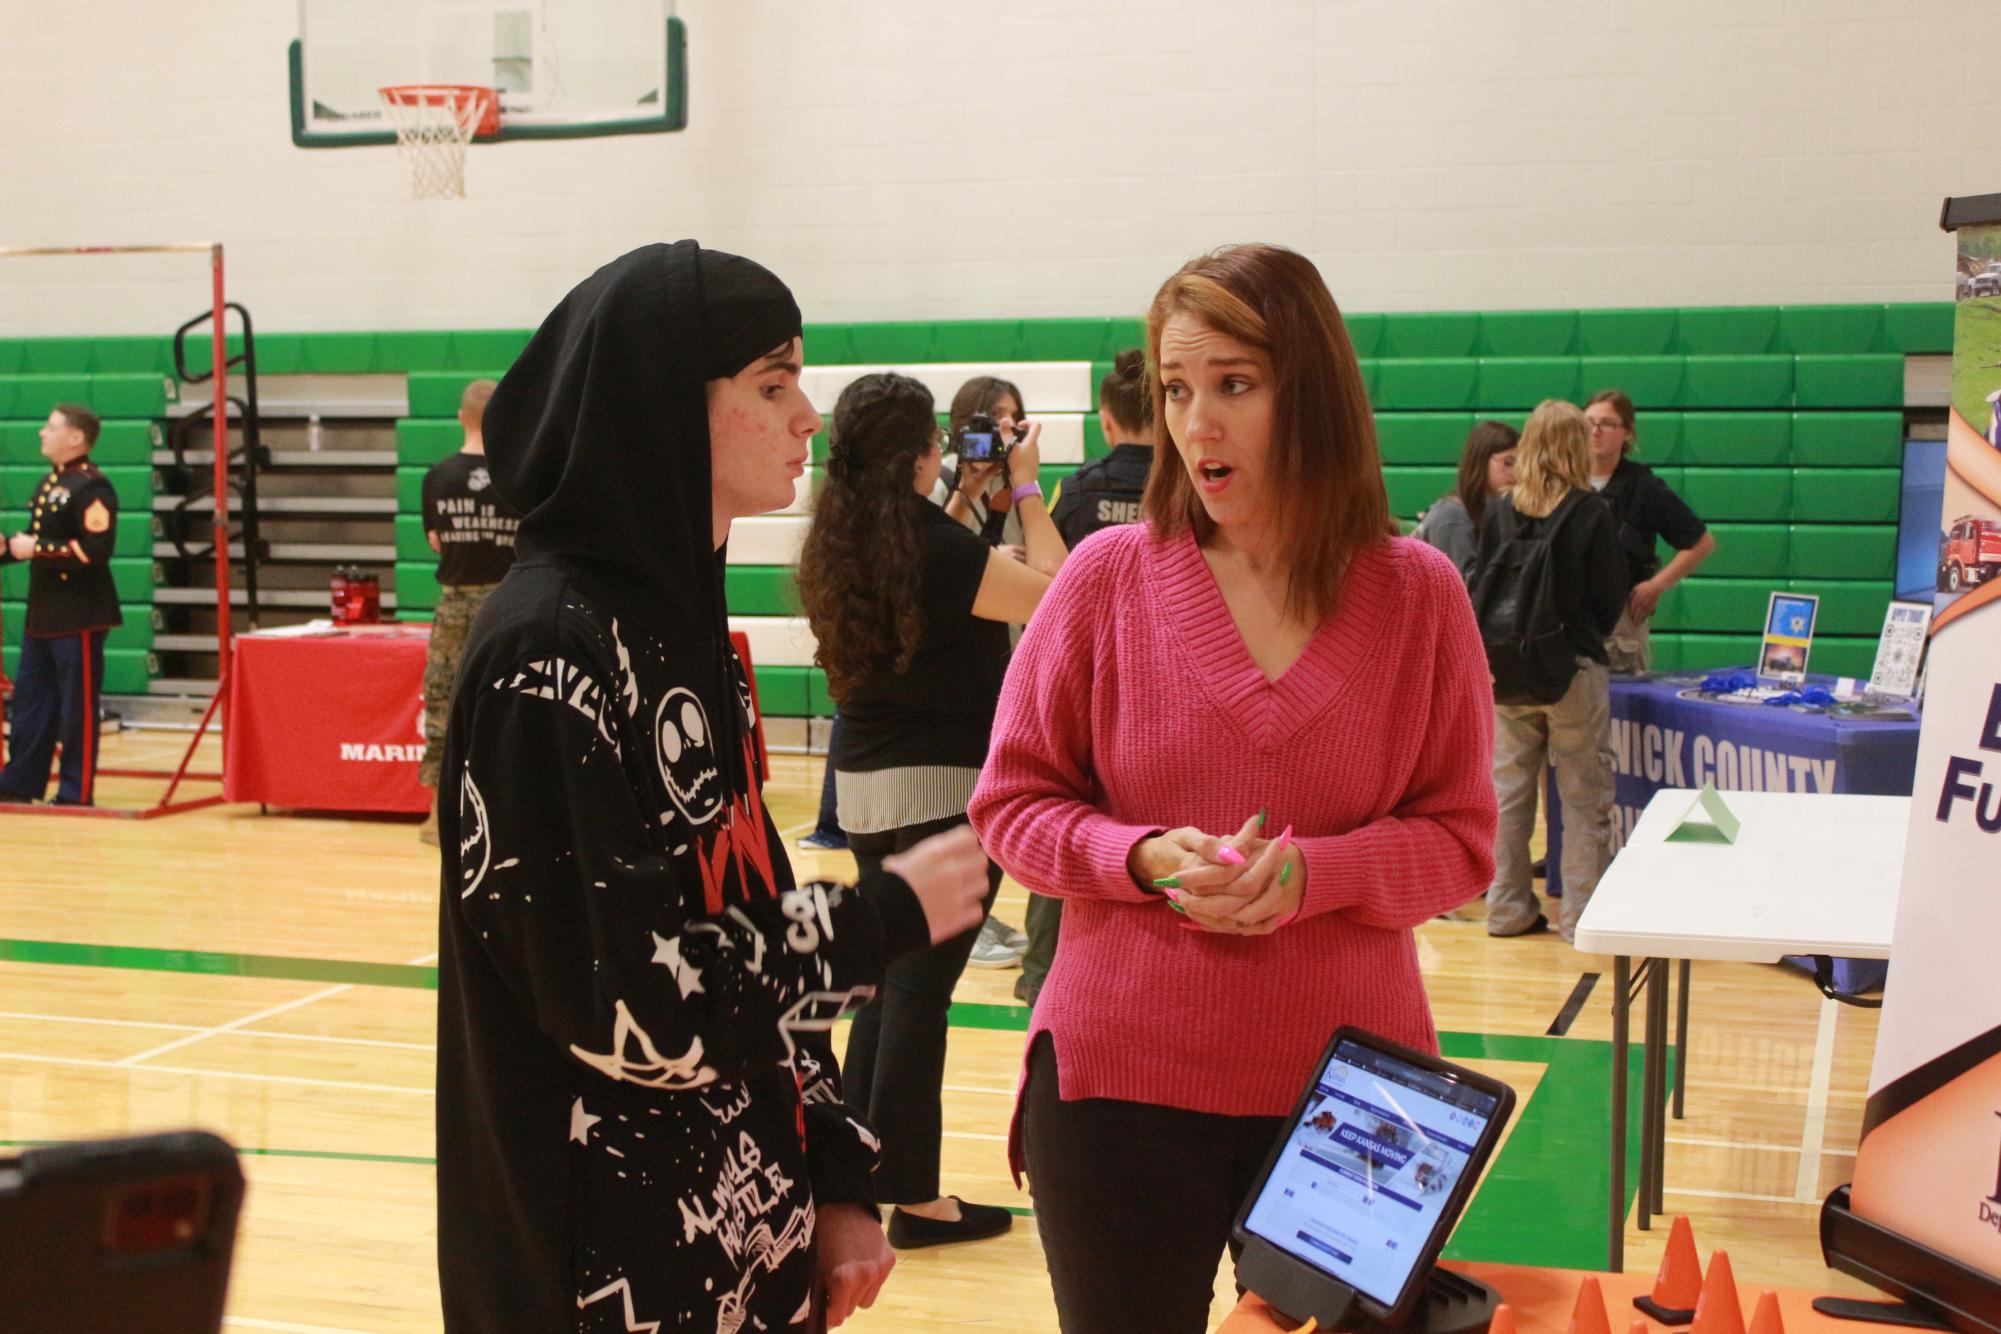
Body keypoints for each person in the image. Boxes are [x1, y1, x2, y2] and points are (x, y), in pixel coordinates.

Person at [433, 242, 990, 1334]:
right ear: (662, 410)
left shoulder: (679, 629)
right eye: (773, 385)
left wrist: (832, 1172)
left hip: (752, 1239)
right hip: (594, 1273)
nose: (810, 416)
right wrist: (880, 915)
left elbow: (747, 900)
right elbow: (634, 1003)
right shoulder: (545, 650)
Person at [967, 244, 1498, 1333]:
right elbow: (1011, 807)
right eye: (1175, 388)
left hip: (1357, 1101)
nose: (1195, 422)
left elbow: (1461, 842)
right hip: (1119, 1083)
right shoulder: (1105, 580)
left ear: (1311, 391)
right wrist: (1142, 854)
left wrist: (1318, 872)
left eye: (1234, 385)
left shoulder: (1419, 595)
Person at [795, 370, 1061, 1249]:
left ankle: (864, 1170)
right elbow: (1062, 597)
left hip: (865, 784)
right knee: (919, 992)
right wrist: (1022, 489)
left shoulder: (842, 539)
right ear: (920, 451)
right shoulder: (935, 549)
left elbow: (931, 563)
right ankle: (913, 1195)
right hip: (944, 782)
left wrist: (961, 496)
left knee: (885, 979)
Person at [1018, 348, 1158, 1008]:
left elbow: (1047, 591)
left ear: (1106, 420)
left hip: (1087, 691)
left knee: (1065, 826)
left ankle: (1042, 974)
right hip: (1167, 698)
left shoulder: (1074, 493)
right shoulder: (1192, 489)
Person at [1477, 400, 1626, 942]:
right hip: (1571, 669)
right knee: (1585, 798)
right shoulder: (1590, 511)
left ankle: (1507, 909)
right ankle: (1580, 919)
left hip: (1507, 671)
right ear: (1574, 445)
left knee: (1509, 796)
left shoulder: (1499, 508)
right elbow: (1609, 600)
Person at [936, 373, 1045, 968]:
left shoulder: (1022, 490)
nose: (1002, 434)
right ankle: (969, 921)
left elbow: (1051, 570)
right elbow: (929, 557)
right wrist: (984, 555)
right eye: (992, 422)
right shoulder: (944, 485)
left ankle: (981, 911)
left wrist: (1018, 493)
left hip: (1010, 651)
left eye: (1013, 421)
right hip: (957, 663)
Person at [0, 404, 121, 807]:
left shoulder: (92, 487)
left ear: (75, 438)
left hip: (79, 614)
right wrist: (9, 549)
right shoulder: (50, 484)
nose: (40, 433)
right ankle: (18, 782)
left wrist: (38, 548)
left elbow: (96, 551)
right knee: (31, 704)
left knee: (76, 709)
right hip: (44, 615)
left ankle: (75, 790)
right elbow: (36, 542)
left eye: (50, 427)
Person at [416, 378, 516, 845]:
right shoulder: (517, 476)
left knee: (441, 705)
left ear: (461, 417)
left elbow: (435, 540)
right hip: (507, 606)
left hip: (456, 603)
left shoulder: (437, 477)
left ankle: (438, 817)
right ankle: (506, 812)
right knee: (509, 705)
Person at [1583, 389, 1717, 673]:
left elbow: (1701, 542)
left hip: (1620, 625)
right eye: (1588, 422)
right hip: (1573, 622)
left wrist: (1657, 585)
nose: (1595, 431)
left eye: (1606, 423)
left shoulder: (1643, 486)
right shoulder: (1566, 482)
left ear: (1627, 433)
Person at [1411, 419, 1519, 581]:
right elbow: (1466, 590)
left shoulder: (1490, 511)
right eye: (1508, 462)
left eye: (1521, 464)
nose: (1517, 472)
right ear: (1481, 461)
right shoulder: (1452, 516)